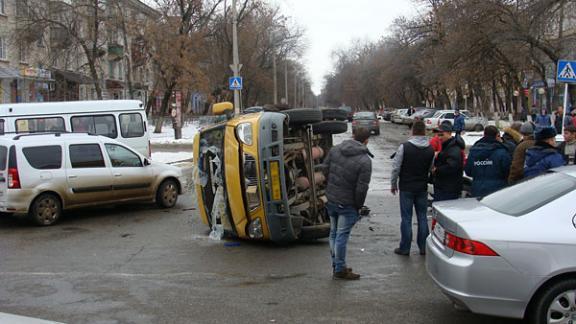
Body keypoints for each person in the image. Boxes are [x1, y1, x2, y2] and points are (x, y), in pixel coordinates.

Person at [324, 127, 372, 280]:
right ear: (366, 141)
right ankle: (340, 268)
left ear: (353, 136)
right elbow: (361, 188)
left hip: (331, 199)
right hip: (347, 203)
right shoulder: (365, 160)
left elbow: (325, 169)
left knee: (333, 233)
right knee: (341, 236)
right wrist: (358, 206)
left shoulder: (335, 150)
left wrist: (330, 188)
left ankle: (337, 264)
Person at [390, 121, 435, 256]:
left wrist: (393, 184)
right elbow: (430, 168)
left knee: (406, 218)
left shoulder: (405, 147)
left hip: (406, 187)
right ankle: (423, 247)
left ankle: (405, 248)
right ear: (425, 131)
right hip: (421, 187)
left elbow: (396, 167)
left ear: (413, 131)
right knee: (422, 217)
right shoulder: (430, 149)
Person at [465, 126, 512, 197]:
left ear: (484, 135)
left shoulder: (474, 151)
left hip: (477, 189)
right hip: (498, 190)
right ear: (497, 136)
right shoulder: (502, 152)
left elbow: (468, 171)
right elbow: (508, 171)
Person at [432, 124, 465, 201]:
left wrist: (437, 170)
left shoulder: (454, 148)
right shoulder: (448, 146)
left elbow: (452, 167)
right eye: (438, 134)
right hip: (444, 186)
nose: (439, 137)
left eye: (441, 134)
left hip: (448, 188)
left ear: (448, 133)